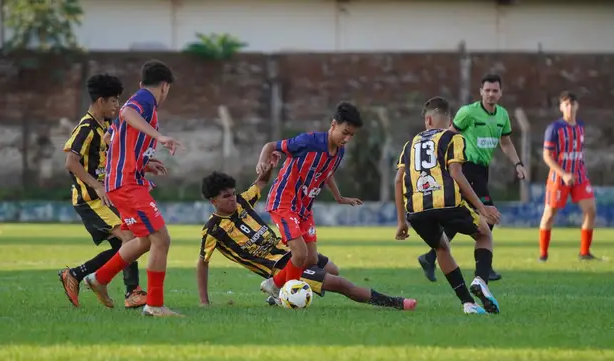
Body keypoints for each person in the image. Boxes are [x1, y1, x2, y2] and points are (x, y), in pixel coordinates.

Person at [198, 165, 417, 311]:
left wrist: (269, 165)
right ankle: (396, 303)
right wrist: (204, 301)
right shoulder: (213, 230)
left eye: (233, 194)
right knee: (340, 284)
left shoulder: (242, 201)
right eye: (226, 197)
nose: (232, 200)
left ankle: (278, 297)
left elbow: (260, 184)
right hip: (280, 268)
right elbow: (203, 263)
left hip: (293, 252)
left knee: (333, 269)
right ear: (213, 201)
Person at [83, 60, 183, 317]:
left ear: (141, 82)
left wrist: (143, 162)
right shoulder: (145, 100)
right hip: (127, 184)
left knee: (143, 240)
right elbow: (126, 114)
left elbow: (110, 138)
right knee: (161, 238)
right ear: (165, 86)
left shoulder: (141, 98)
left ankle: (99, 278)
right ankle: (155, 305)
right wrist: (160, 138)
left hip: (122, 181)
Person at [395, 96, 501, 314]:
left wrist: (400, 222)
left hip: (416, 211)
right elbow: (456, 173)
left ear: (428, 120)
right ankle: (481, 280)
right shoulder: (453, 138)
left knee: (441, 248)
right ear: (449, 119)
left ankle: (468, 303)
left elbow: (398, 180)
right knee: (484, 234)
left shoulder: (409, 144)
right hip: (447, 203)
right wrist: (482, 208)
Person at [416, 74, 526, 283]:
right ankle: (484, 267)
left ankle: (430, 257)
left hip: (481, 171)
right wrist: (444, 163)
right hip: (466, 168)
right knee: (488, 215)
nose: (491, 94)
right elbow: (449, 135)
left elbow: (506, 143)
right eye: (487, 90)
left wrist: (518, 164)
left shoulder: (502, 115)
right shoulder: (468, 112)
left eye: (495, 91)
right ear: (481, 92)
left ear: (500, 93)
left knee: (462, 217)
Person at [254, 101, 363, 298]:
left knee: (311, 258)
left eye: (351, 135)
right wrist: (262, 161)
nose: (347, 139)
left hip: (304, 208)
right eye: (344, 132)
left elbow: (326, 173)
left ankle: (275, 283)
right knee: (300, 254)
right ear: (333, 125)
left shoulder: (339, 151)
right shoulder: (308, 141)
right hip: (284, 202)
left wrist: (339, 197)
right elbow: (270, 146)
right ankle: (286, 295)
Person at [58, 74, 149, 309]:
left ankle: (77, 275)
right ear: (101, 101)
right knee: (132, 239)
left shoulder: (107, 126)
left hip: (106, 199)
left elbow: (114, 157)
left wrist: (146, 165)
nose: (117, 106)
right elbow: (71, 162)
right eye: (114, 101)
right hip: (89, 199)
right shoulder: (86, 127)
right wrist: (97, 185)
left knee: (126, 246)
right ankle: (132, 292)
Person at [539, 91, 599, 261]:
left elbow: (577, 152)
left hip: (579, 176)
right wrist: (563, 173)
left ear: (577, 106)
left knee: (591, 210)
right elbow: (547, 156)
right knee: (549, 214)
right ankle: (543, 254)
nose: (570, 107)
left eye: (572, 104)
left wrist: (578, 170)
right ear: (561, 107)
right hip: (559, 177)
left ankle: (584, 252)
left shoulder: (580, 126)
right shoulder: (554, 128)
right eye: (566, 104)